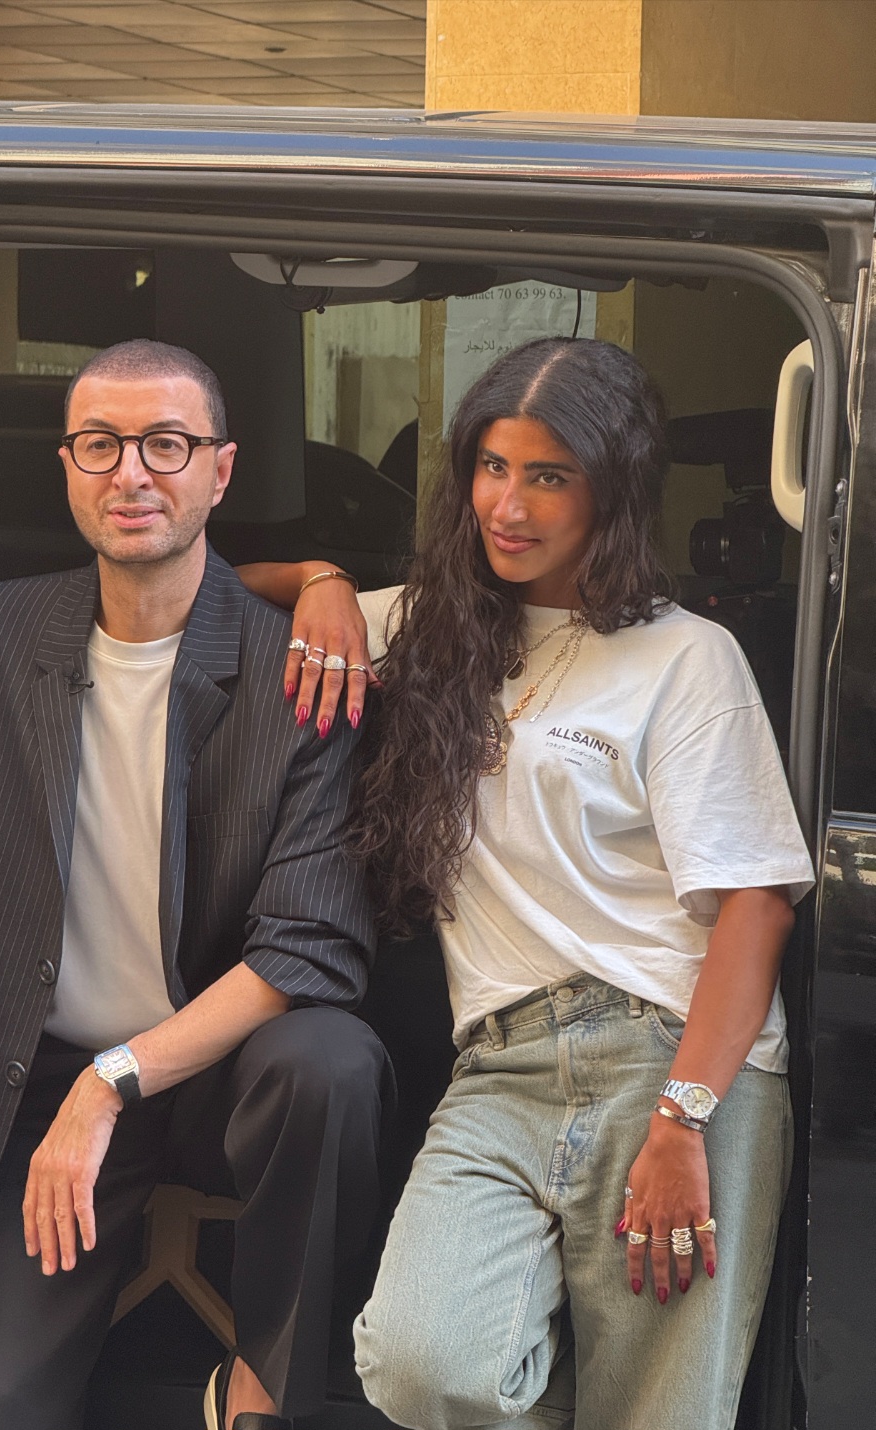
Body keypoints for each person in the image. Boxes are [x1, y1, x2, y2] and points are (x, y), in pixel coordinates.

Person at [238, 336, 815, 1430]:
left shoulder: (687, 657)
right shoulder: (429, 625)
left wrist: (684, 1117)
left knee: (656, 1411)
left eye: (549, 476)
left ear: (614, 490)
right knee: (420, 1360)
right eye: (492, 467)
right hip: (501, 1059)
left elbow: (755, 906)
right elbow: (212, 592)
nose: (508, 505)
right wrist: (320, 581)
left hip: (670, 1051)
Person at [0, 338, 390, 1430]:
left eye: (166, 444)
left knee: (329, 1061)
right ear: (66, 465)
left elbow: (306, 947)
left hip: (216, 1076)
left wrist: (112, 1082)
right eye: (100, 444)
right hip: (41, 1073)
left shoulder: (297, 672)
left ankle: (264, 1390)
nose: (131, 474)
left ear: (221, 469)